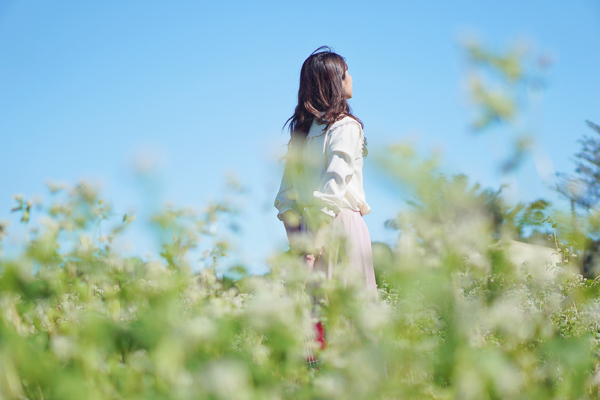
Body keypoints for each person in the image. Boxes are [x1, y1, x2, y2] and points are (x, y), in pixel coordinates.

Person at [274, 46, 377, 297]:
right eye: (345, 74)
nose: (351, 78)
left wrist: (300, 247)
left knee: (313, 322)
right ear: (335, 82)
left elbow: (286, 198)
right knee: (347, 319)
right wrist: (315, 245)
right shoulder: (346, 126)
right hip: (340, 227)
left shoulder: (301, 132)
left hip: (307, 230)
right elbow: (334, 183)